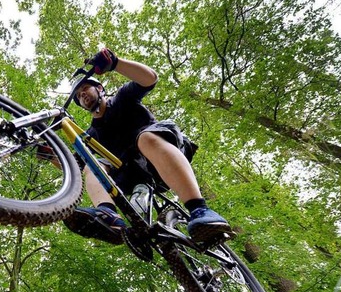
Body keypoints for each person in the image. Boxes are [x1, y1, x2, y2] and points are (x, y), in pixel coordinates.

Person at [63, 48, 232, 245]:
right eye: (79, 96)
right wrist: (49, 154)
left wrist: (115, 63)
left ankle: (200, 209)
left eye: (86, 89)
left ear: (100, 89)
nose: (83, 95)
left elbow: (149, 79)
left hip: (161, 152)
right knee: (91, 164)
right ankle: (108, 215)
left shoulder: (122, 98)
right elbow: (71, 164)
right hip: (133, 179)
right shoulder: (91, 136)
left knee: (144, 139)